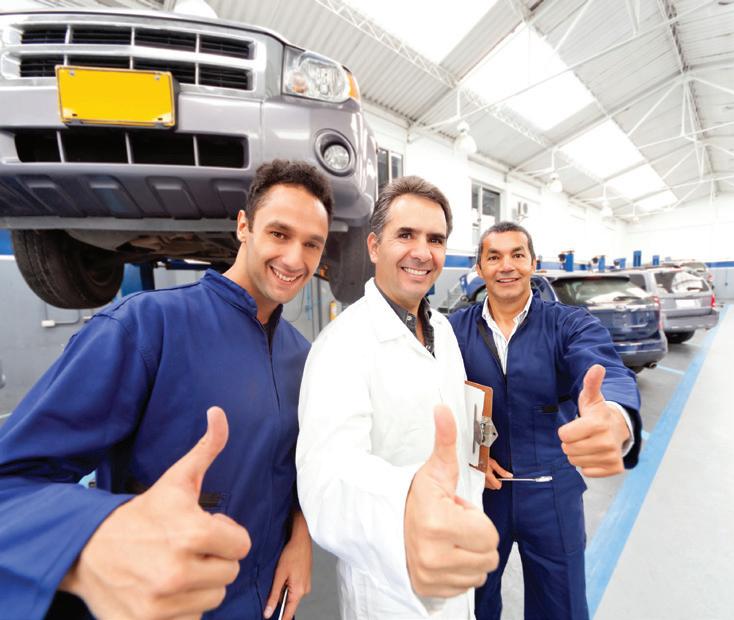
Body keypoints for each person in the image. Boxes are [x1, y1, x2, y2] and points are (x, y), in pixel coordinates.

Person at [0, 159, 332, 620]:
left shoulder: (304, 356)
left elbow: (297, 467)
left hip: (268, 604)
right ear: (244, 226)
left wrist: (301, 537)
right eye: (279, 233)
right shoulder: (143, 328)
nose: (295, 259)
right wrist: (95, 538)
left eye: (312, 243)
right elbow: (11, 482)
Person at [296, 176, 499, 619]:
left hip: (456, 565)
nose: (422, 252)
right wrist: (406, 507)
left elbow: (444, 422)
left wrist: (479, 451)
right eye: (405, 235)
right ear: (374, 247)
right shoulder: (341, 345)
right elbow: (326, 479)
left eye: (435, 239)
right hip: (390, 587)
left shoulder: (442, 330)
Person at [448, 221, 642, 620]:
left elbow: (606, 368)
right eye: (494, 257)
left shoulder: (569, 324)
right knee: (471, 603)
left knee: (561, 604)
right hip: (482, 491)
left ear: (533, 263)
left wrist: (614, 415)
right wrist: (468, 455)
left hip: (552, 488)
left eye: (517, 255)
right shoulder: (453, 331)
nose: (507, 266)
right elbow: (435, 400)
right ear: (480, 268)